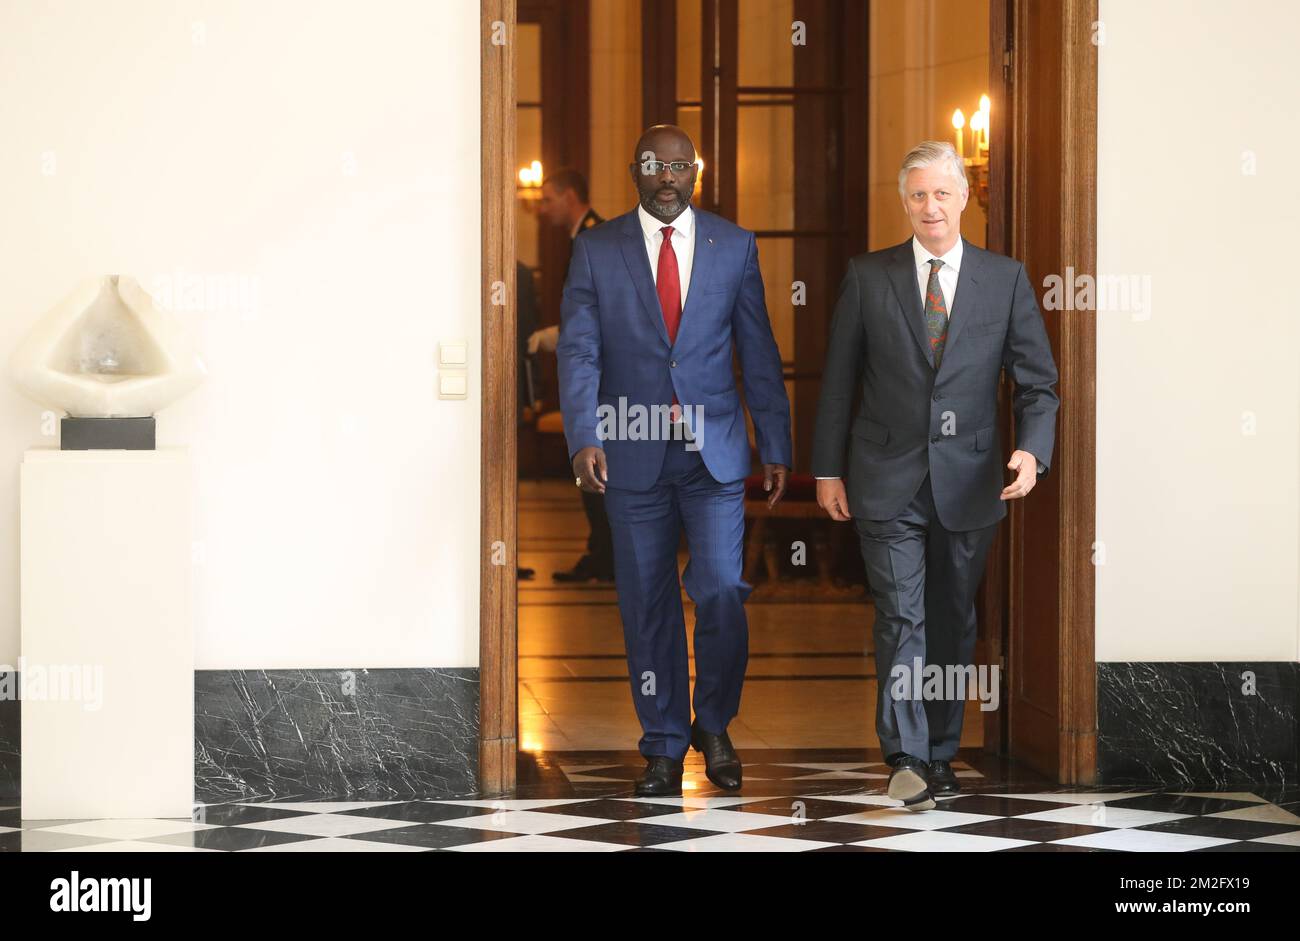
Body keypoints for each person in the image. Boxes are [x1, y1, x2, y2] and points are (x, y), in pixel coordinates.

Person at [811, 140, 1059, 811]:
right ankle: (907, 755)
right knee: (901, 614)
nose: (929, 206)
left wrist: (1032, 452)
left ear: (963, 198)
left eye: (941, 193)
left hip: (972, 479)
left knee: (952, 619)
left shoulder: (1003, 279)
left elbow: (1038, 381)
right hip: (884, 476)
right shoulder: (868, 277)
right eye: (917, 195)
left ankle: (943, 749)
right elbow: (838, 384)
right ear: (904, 202)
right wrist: (827, 471)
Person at [557, 125, 791, 796]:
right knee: (646, 600)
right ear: (634, 170)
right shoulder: (597, 251)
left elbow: (759, 348)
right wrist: (583, 436)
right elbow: (579, 352)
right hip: (629, 452)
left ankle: (713, 722)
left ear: (697, 171)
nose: (668, 176)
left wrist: (773, 442)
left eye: (679, 165)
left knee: (720, 586)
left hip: (713, 452)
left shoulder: (734, 245)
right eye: (655, 165)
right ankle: (662, 742)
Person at [533, 168, 612, 583]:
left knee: (594, 457)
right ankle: (601, 553)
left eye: (547, 200)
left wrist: (557, 335)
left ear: (569, 197)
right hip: (589, 367)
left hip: (598, 373)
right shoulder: (585, 236)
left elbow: (597, 313)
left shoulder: (592, 237)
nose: (542, 210)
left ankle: (605, 556)